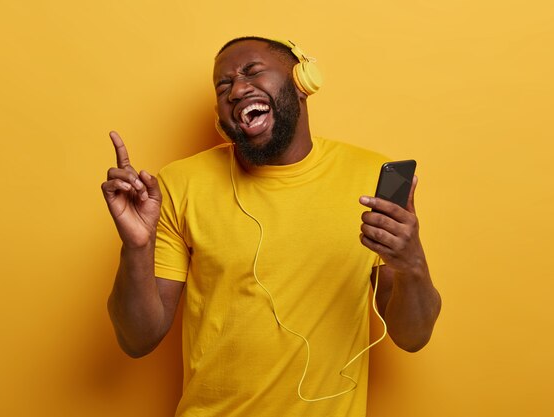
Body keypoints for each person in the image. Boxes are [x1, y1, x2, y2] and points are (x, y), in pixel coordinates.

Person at [102, 36, 441, 417]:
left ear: (302, 82)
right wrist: (137, 247)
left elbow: (412, 337)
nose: (236, 90)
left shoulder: (370, 176)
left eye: (252, 72)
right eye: (223, 86)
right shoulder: (178, 184)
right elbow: (136, 339)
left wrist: (412, 262)